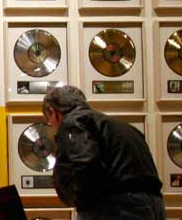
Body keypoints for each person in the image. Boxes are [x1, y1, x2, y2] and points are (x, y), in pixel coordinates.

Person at [43, 85, 164, 219]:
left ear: (52, 112)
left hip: (116, 207)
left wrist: (83, 204)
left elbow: (85, 163)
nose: (52, 127)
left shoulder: (73, 121)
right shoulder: (122, 126)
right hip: (153, 205)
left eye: (49, 121)